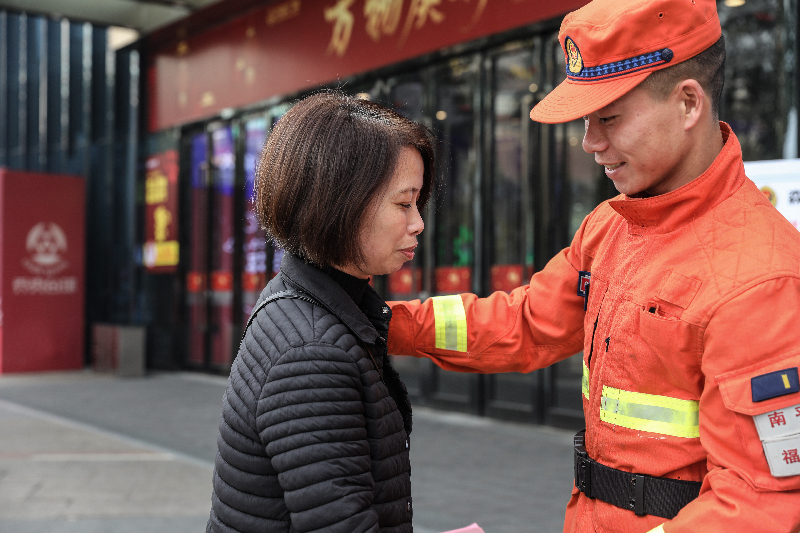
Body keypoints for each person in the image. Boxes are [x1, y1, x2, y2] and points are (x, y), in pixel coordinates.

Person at [386, 0, 800, 531]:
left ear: (689, 103)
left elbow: (755, 505)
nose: (590, 143)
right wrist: (383, 323)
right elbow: (525, 322)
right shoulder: (610, 225)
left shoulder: (761, 279)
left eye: (608, 118)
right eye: (586, 120)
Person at [207, 91, 437, 533]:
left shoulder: (304, 299)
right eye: (403, 204)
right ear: (342, 203)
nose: (417, 223)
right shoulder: (311, 353)